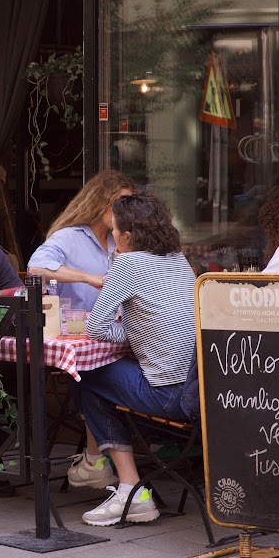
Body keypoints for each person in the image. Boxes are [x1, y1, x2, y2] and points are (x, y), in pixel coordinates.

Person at [72, 191, 198, 528]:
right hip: (201, 391)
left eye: (113, 230)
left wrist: (130, 335)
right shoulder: (178, 259)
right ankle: (104, 469)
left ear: (127, 235)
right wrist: (142, 334)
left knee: (87, 376)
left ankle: (128, 487)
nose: (112, 237)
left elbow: (96, 328)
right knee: (108, 382)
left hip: (170, 397)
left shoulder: (127, 263)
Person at [27, 170, 133, 489]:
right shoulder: (69, 237)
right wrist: (87, 277)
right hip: (80, 335)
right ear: (99, 201)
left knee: (105, 375)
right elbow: (36, 268)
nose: (124, 212)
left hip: (114, 335)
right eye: (119, 203)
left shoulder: (121, 239)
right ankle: (96, 460)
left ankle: (96, 460)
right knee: (91, 376)